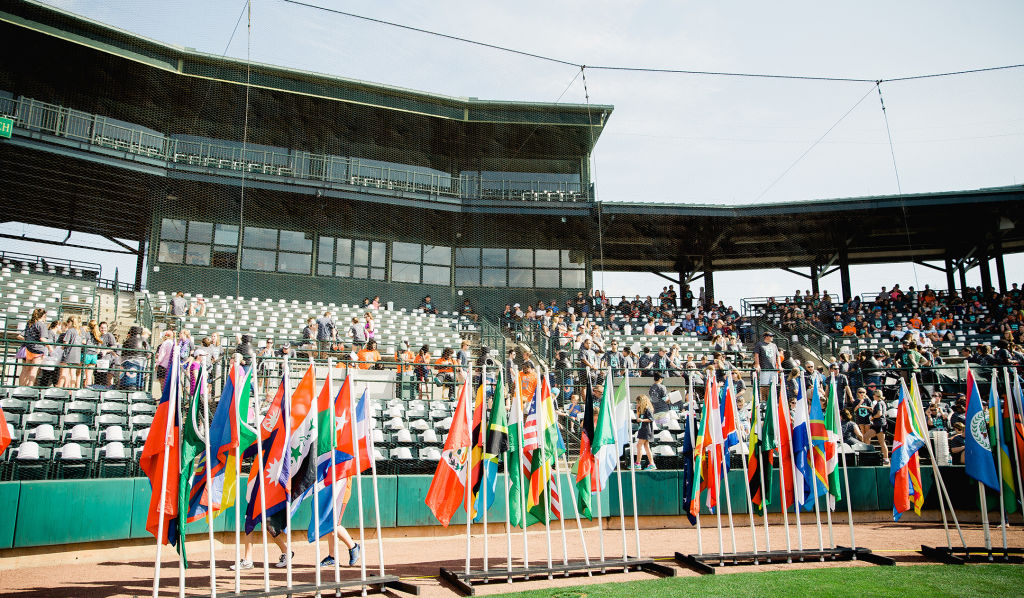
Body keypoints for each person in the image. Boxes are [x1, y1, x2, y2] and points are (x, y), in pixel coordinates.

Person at [18, 307, 48, 386]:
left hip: (27, 348)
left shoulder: (30, 323)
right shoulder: (41, 325)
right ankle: (29, 388)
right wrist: (50, 346)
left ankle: (21, 387)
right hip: (37, 349)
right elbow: (42, 338)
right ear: (43, 316)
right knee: (33, 370)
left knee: (25, 370)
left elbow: (22, 335)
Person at [58, 315, 83, 389]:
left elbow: (66, 342)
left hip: (69, 354)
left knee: (63, 373)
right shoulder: (79, 331)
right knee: (73, 373)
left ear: (70, 322)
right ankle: (71, 389)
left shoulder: (70, 330)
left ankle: (59, 389)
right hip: (76, 356)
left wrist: (61, 348)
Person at [633, 394, 656, 470]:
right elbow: (638, 419)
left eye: (638, 402)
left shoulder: (647, 409)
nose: (637, 404)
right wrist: (637, 411)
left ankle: (638, 463)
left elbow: (651, 419)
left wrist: (642, 420)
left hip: (646, 430)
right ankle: (651, 463)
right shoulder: (641, 410)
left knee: (639, 445)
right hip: (642, 429)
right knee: (646, 447)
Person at [753, 331, 780, 397]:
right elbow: (756, 355)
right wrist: (757, 364)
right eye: (771, 336)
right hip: (764, 368)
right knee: (764, 386)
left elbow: (778, 356)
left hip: (773, 369)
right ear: (766, 337)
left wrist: (779, 365)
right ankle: (764, 401)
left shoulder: (774, 345)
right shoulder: (760, 344)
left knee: (774, 386)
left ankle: (773, 401)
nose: (772, 337)